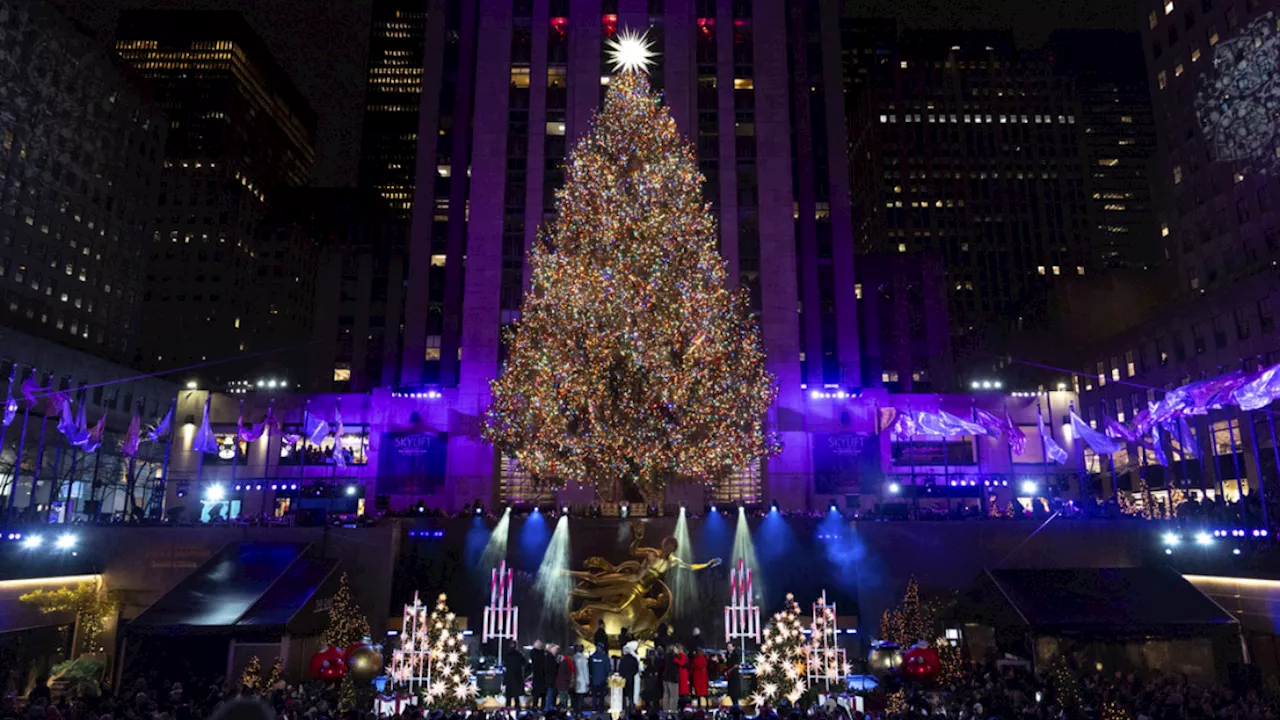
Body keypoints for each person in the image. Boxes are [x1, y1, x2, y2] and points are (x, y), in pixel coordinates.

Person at [618, 641, 641, 713]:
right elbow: (636, 669)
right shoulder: (634, 659)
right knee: (631, 695)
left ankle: (624, 708)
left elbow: (620, 670)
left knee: (624, 695)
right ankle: (632, 708)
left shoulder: (622, 660)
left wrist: (623, 676)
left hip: (624, 680)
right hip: (631, 679)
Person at [503, 640, 527, 709]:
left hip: (509, 677)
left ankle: (508, 709)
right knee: (516, 696)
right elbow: (524, 663)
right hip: (517, 677)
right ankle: (517, 709)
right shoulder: (519, 655)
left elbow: (504, 664)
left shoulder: (507, 655)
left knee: (509, 696)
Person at [589, 643, 611, 712]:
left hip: (594, 679)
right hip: (602, 680)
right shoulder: (605, 657)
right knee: (601, 695)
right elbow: (608, 669)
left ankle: (593, 708)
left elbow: (589, 669)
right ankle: (601, 709)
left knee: (594, 695)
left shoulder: (591, 657)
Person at [662, 644, 682, 715]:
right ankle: (673, 710)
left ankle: (665, 709)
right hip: (672, 678)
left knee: (666, 694)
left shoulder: (666, 657)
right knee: (674, 695)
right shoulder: (675, 657)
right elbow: (681, 663)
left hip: (665, 677)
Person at [554, 645, 575, 710]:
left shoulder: (562, 663)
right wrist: (570, 680)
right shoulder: (566, 663)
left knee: (563, 697)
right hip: (563, 684)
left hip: (561, 683)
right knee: (564, 697)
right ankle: (563, 710)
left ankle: (563, 709)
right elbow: (567, 674)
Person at [530, 640, 549, 710]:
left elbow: (532, 654)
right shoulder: (544, 655)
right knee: (543, 696)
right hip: (543, 679)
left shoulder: (535, 655)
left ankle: (535, 707)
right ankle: (542, 708)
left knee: (536, 696)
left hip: (537, 678)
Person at [573, 644, 590, 713]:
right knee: (581, 697)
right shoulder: (583, 658)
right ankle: (579, 711)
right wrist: (587, 681)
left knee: (575, 697)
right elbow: (585, 670)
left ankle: (575, 710)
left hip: (575, 679)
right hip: (582, 679)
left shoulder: (574, 657)